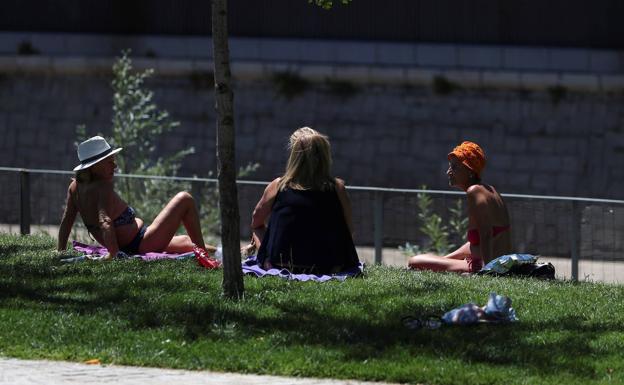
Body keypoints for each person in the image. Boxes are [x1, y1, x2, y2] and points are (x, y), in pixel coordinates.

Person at [57, 136, 216, 262]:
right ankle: (205, 258)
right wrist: (113, 254)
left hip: (136, 241)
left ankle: (223, 252)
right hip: (140, 243)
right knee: (184, 199)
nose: (115, 166)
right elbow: (105, 222)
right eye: (109, 162)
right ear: (94, 166)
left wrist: (61, 249)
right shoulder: (102, 188)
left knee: (184, 242)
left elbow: (67, 220)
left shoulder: (75, 187)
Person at [245, 127, 359, 274]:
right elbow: (348, 230)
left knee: (258, 228)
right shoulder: (337, 188)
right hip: (328, 266)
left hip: (281, 264)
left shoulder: (278, 186)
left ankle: (267, 259)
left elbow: (256, 222)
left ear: (294, 156)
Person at [408, 141, 512, 273]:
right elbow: (485, 239)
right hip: (497, 262)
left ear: (470, 171)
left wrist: (487, 270)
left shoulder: (474, 191)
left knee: (414, 261)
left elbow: (486, 234)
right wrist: (444, 259)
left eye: (455, 167)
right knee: (431, 259)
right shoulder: (490, 190)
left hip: (483, 265)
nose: (448, 172)